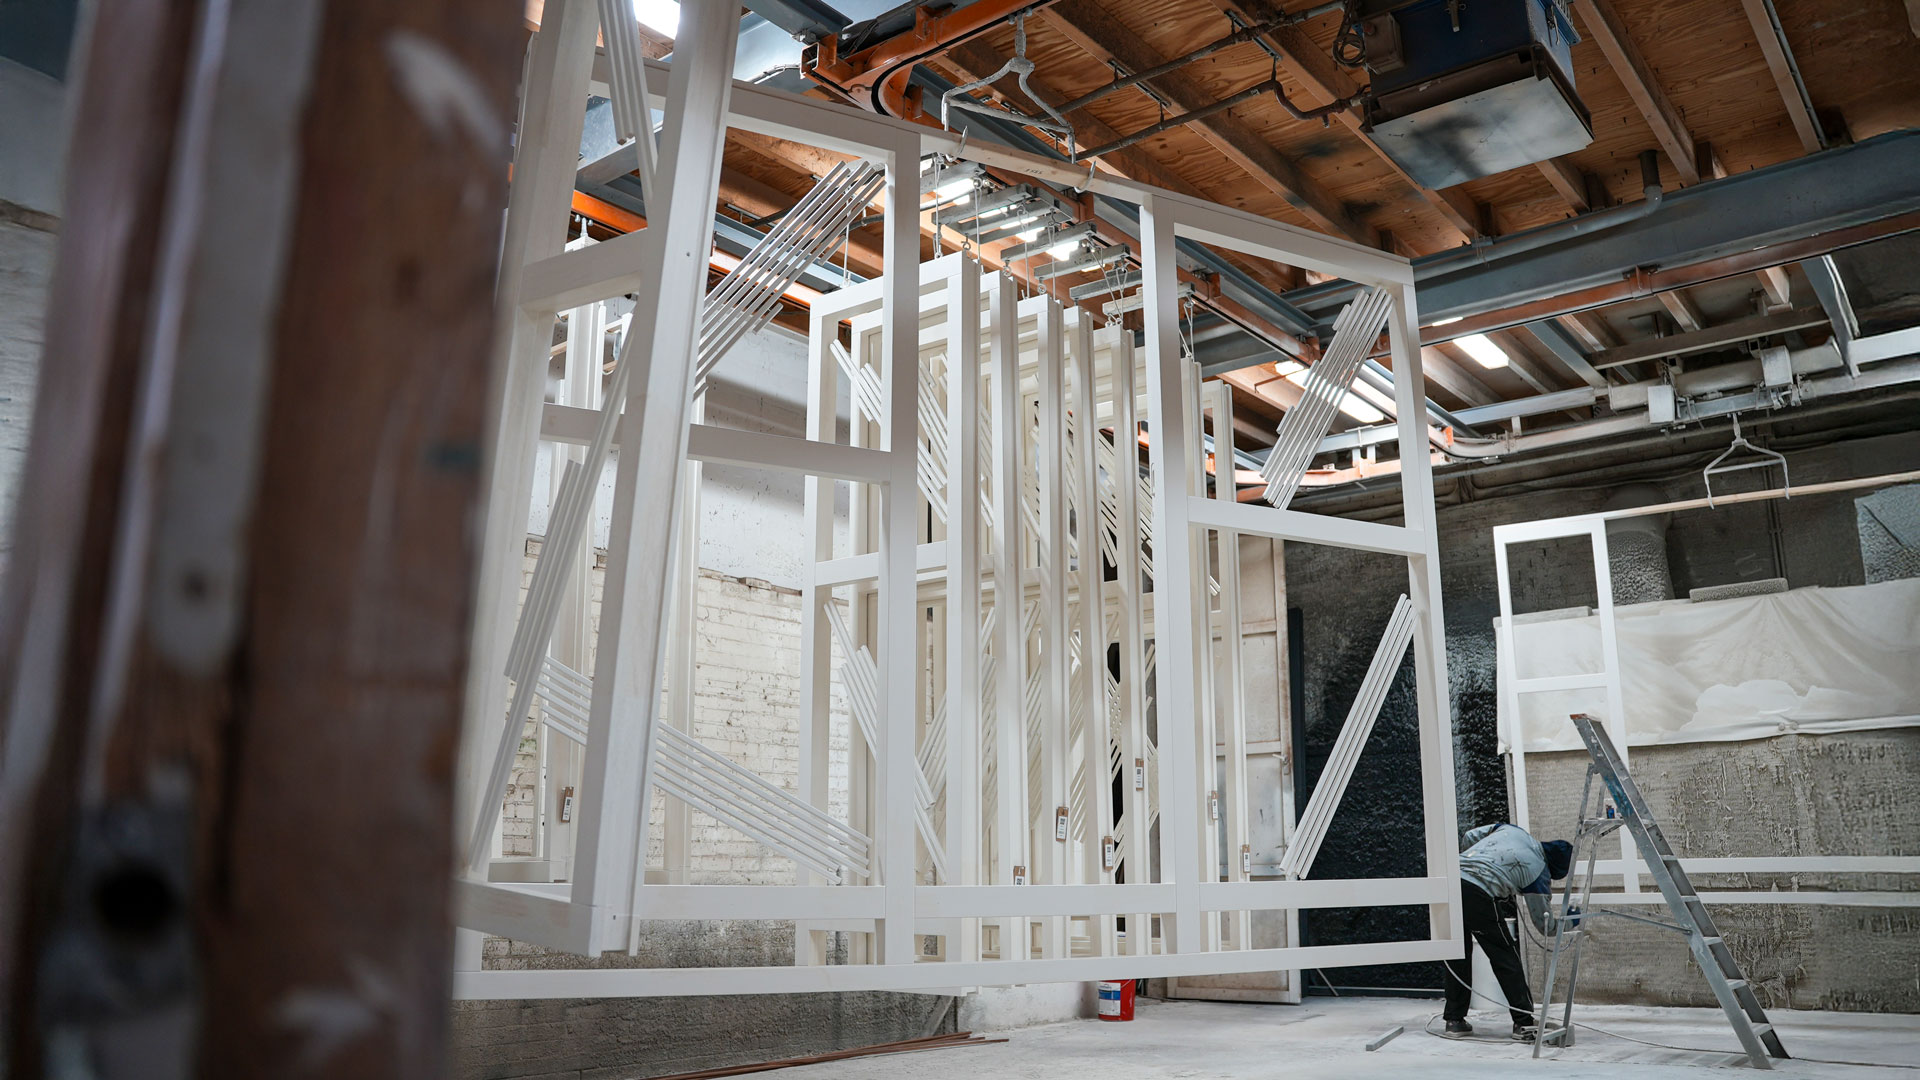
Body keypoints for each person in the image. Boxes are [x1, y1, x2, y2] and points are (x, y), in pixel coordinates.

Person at [1441, 823, 1574, 1042]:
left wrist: (1474, 861)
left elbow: (1469, 835)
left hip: (1450, 879)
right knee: (1505, 956)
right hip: (1478, 890)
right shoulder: (1539, 870)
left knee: (1458, 953)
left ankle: (1455, 1021)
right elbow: (1545, 925)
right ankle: (1523, 1023)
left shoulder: (1513, 830)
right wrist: (1572, 921)